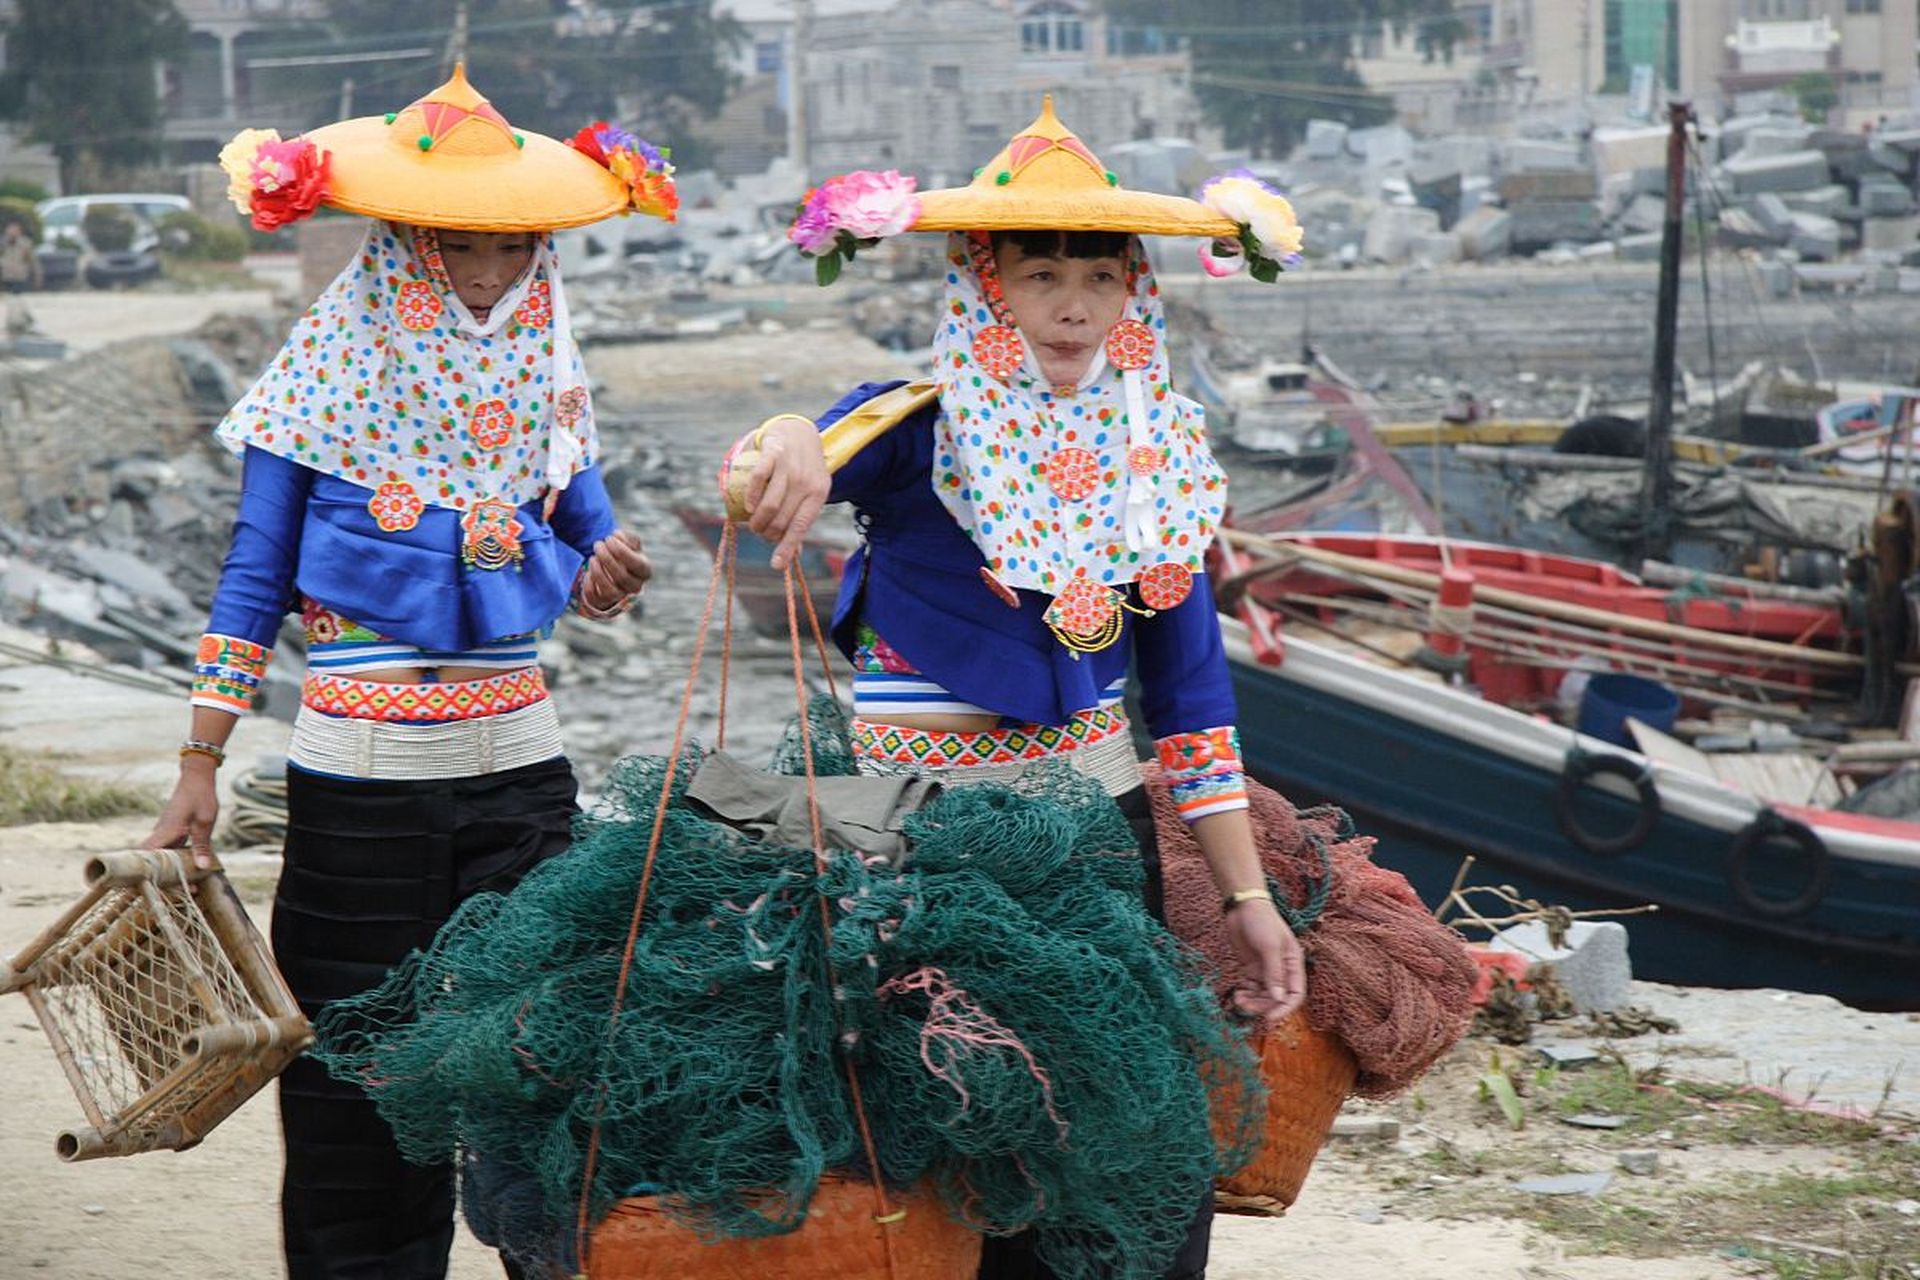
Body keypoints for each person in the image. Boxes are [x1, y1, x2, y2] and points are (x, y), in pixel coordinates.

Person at [730, 99, 1309, 1280]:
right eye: (1040, 271)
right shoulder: (916, 430)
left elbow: (1191, 706)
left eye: (1099, 273)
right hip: (916, 839)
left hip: (1092, 831)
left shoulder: (1163, 458)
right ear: (983, 281)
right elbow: (796, 456)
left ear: (1135, 288)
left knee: (1109, 1130)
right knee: (940, 1138)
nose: (1072, 303)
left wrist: (1244, 891)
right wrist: (787, 430)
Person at [137, 66, 673, 1280]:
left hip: (524, 782)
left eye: (512, 250)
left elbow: (588, 548)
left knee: (549, 1075)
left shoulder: (549, 375)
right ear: (402, 243)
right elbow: (253, 573)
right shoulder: (313, 386)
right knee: (356, 1092)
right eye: (457, 249)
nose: (487, 279)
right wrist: (198, 764)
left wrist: (606, 571)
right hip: (358, 791)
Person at [1, 220, 42, 292]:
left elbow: (34, 262)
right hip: (5, 277)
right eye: (10, 230)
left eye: (15, 230)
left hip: (20, 277)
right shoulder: (2, 243)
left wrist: (38, 278)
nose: (12, 232)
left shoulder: (26, 244)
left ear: (20, 232)